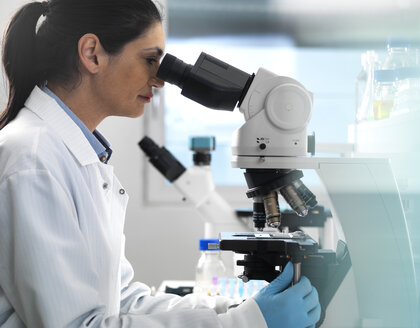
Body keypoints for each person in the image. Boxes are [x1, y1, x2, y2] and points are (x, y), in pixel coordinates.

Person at [0, 0, 321, 327]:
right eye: (150, 60)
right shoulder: (32, 160)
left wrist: (226, 310)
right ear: (92, 53)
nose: (160, 79)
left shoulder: (73, 155)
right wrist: (246, 322)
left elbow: (122, 299)